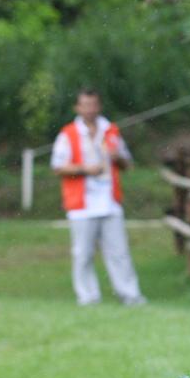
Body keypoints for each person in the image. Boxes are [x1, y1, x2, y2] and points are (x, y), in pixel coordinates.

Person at [50, 88, 146, 306]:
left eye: (93, 104)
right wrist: (84, 169)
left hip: (109, 202)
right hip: (81, 203)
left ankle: (130, 295)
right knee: (83, 254)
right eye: (85, 105)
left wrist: (116, 156)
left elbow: (127, 164)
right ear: (77, 107)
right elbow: (57, 167)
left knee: (119, 252)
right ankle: (88, 297)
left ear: (99, 106)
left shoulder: (111, 131)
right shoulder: (68, 134)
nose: (90, 109)